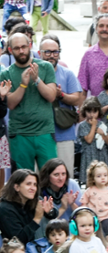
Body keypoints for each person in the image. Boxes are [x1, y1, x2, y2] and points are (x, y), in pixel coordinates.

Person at [1, 33, 58, 171]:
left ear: (30, 46)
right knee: (22, 180)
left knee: (50, 177)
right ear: (10, 50)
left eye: (24, 47)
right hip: (20, 134)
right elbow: (11, 104)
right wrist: (23, 84)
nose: (21, 51)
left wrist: (37, 80)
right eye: (17, 48)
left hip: (44, 132)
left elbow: (51, 96)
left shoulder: (45, 67)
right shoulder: (6, 74)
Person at [40, 38, 83, 174]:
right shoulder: (34, 74)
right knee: (41, 176)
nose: (52, 55)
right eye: (47, 52)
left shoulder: (67, 74)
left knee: (65, 174)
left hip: (63, 133)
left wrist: (61, 95)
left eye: (55, 52)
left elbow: (77, 99)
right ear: (39, 53)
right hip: (39, 133)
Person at [0, 171, 54, 247]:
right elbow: (19, 240)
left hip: (33, 248)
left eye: (35, 185)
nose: (33, 188)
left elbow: (54, 214)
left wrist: (49, 211)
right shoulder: (5, 208)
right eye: (28, 184)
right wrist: (37, 219)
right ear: (17, 187)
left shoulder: (32, 200)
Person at [39, 158, 82, 226]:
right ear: (47, 176)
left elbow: (83, 216)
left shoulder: (72, 184)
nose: (61, 178)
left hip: (72, 231)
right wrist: (63, 207)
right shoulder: (41, 191)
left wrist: (72, 204)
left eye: (63, 174)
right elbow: (45, 224)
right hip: (52, 233)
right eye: (56, 175)